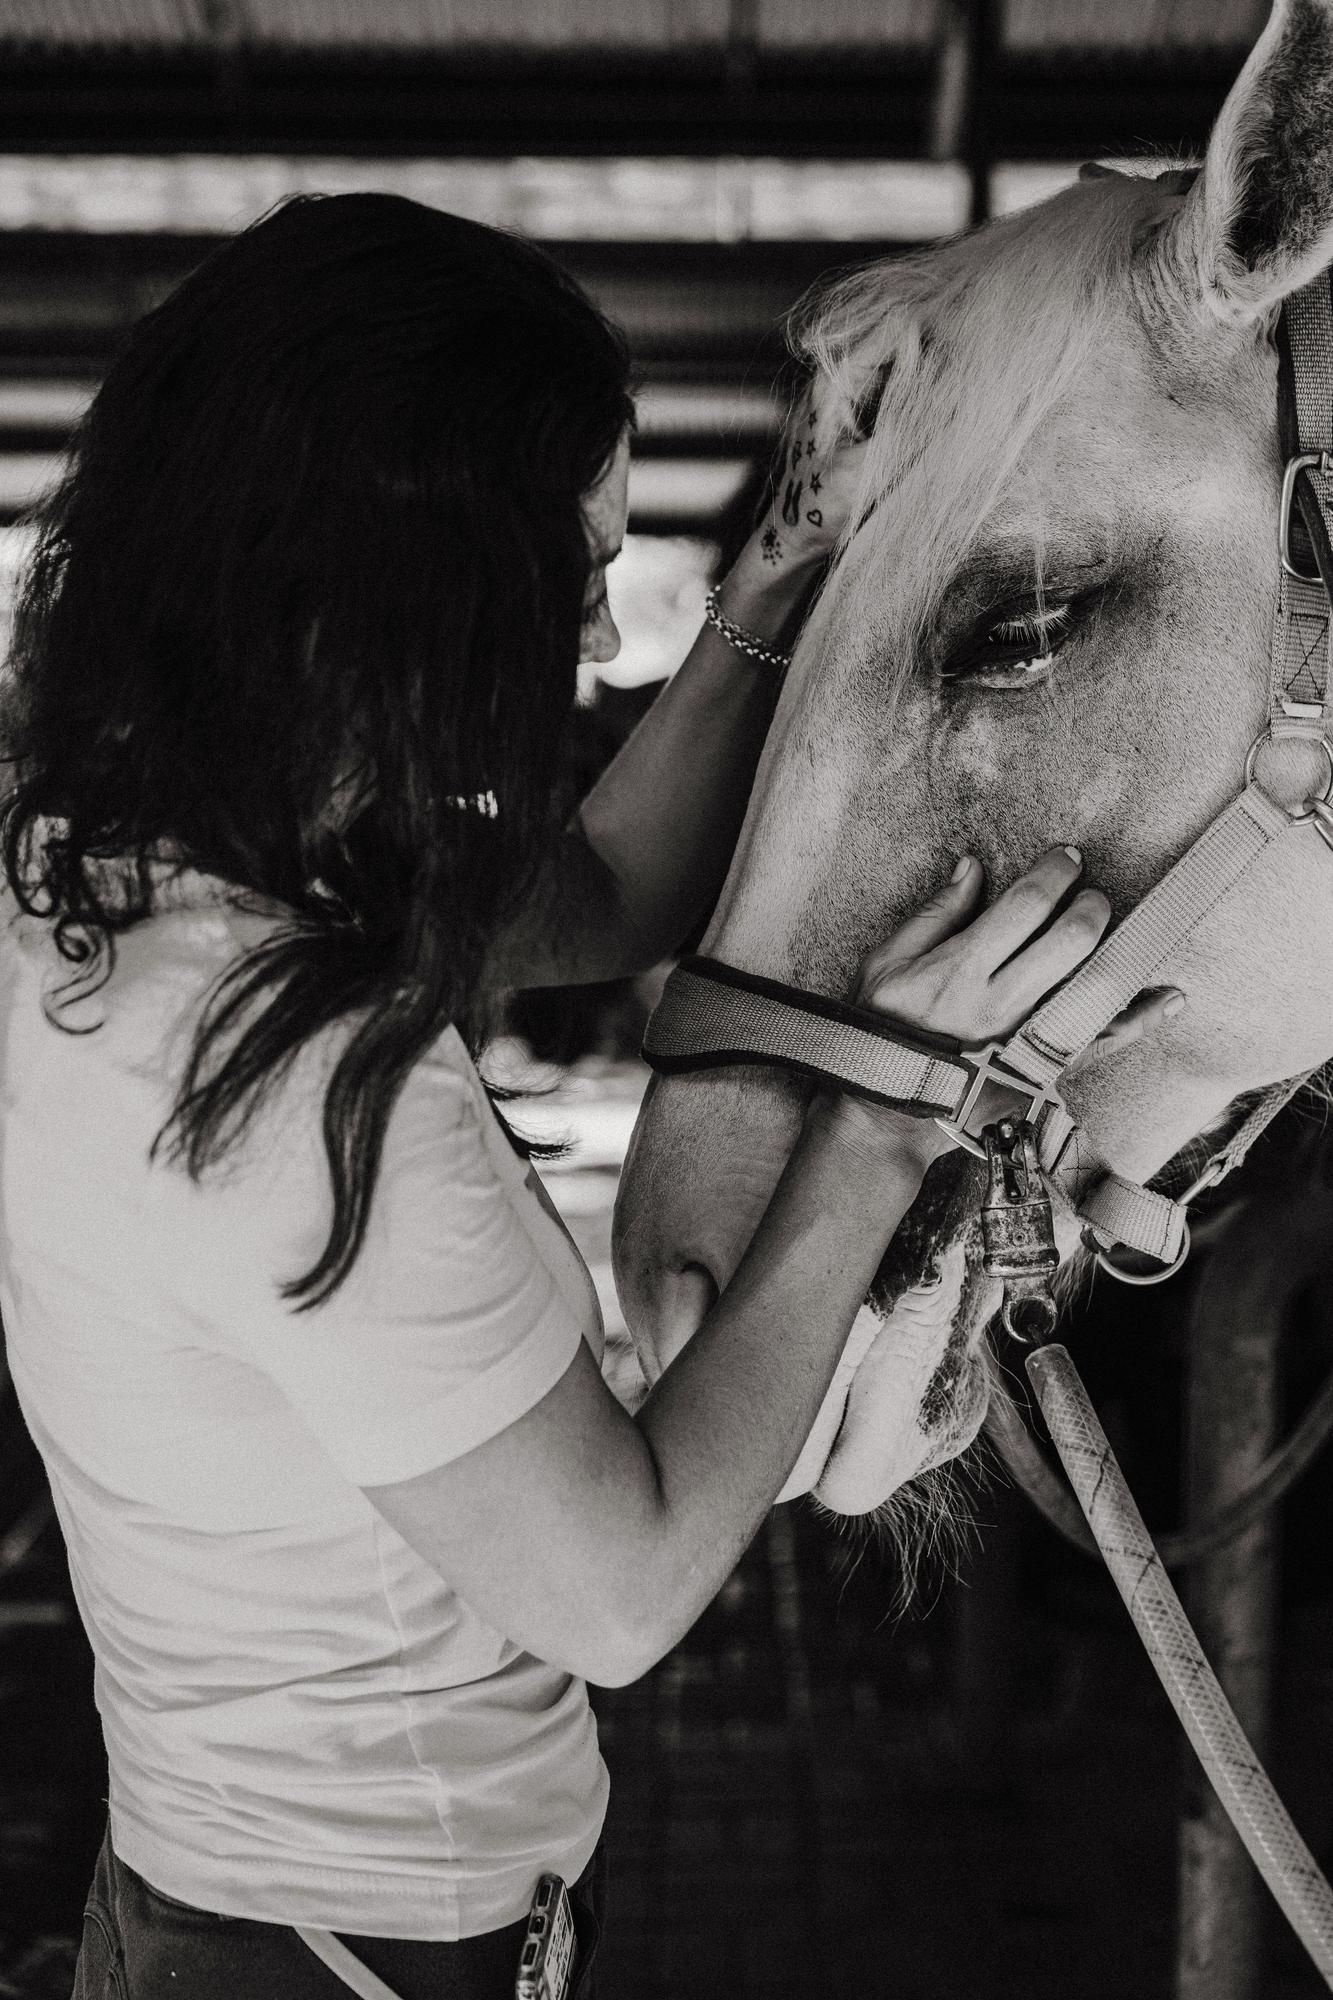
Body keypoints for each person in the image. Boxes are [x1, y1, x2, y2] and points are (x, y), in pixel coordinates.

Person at [0, 194, 1174, 2000]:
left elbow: (612, 889)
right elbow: (621, 1595)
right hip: (355, 1961)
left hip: (226, 1912)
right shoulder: (299, 1073)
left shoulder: (119, 872)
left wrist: (784, 570)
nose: (597, 653)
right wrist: (884, 1124)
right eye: (560, 588)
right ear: (401, 582)